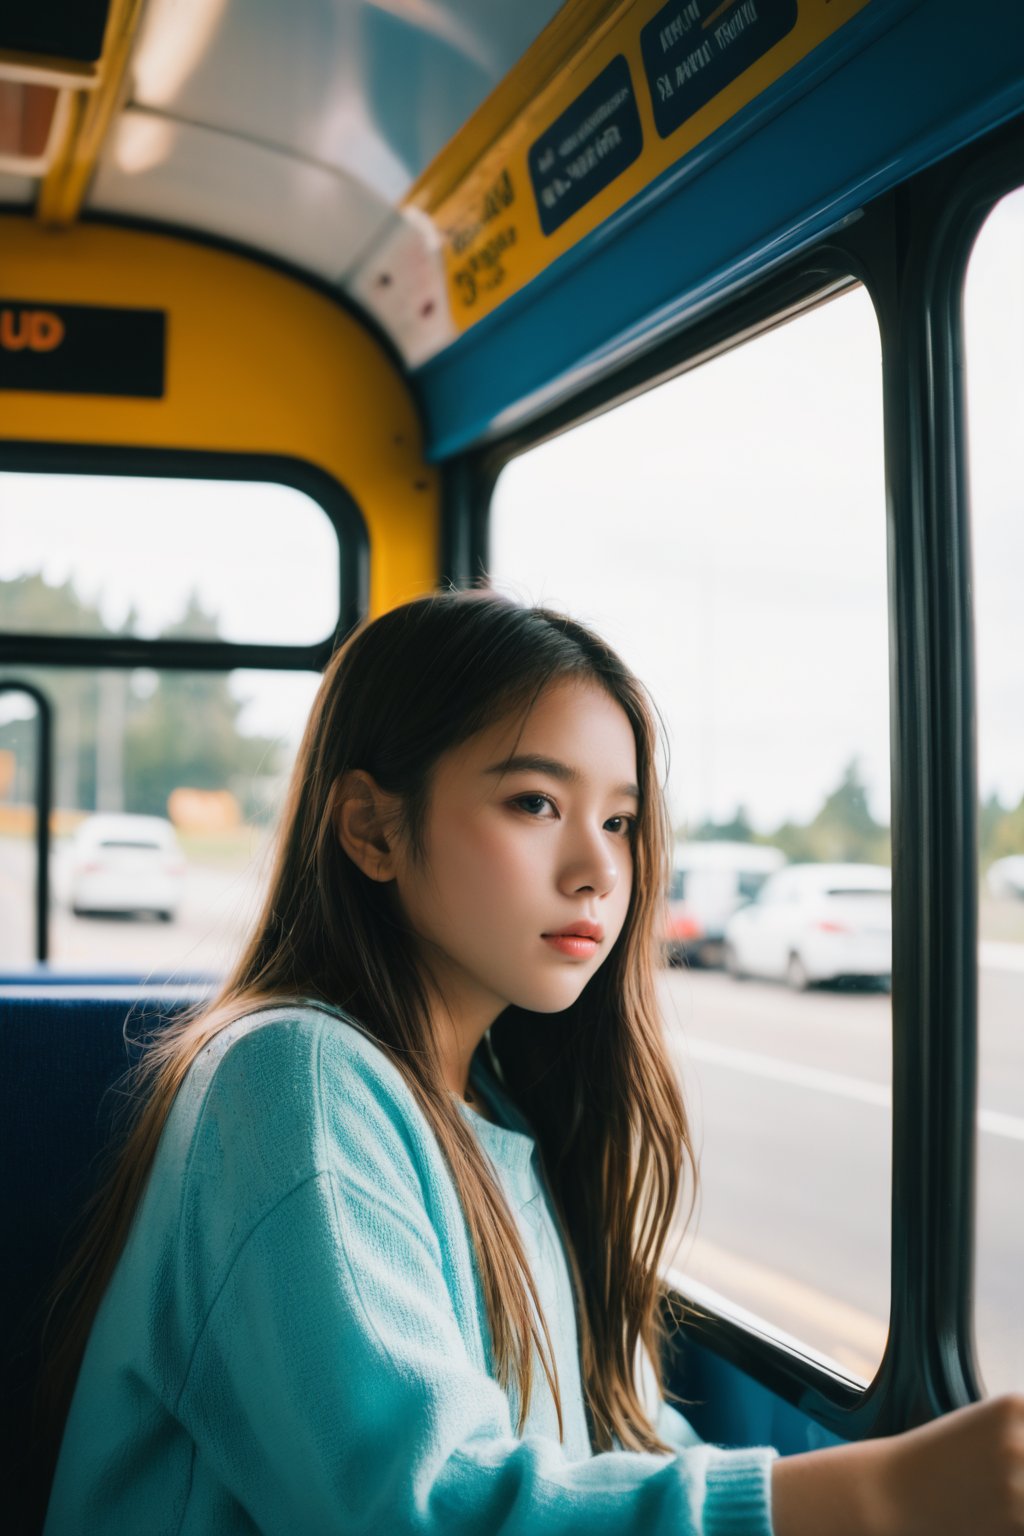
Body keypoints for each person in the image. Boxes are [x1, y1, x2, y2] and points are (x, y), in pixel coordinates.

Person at [42, 591, 1024, 1534]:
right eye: (534, 803)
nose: (598, 871)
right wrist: (875, 1498)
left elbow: (618, 1447)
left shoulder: (505, 1109)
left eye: (619, 822)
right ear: (372, 829)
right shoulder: (289, 1079)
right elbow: (413, 1508)